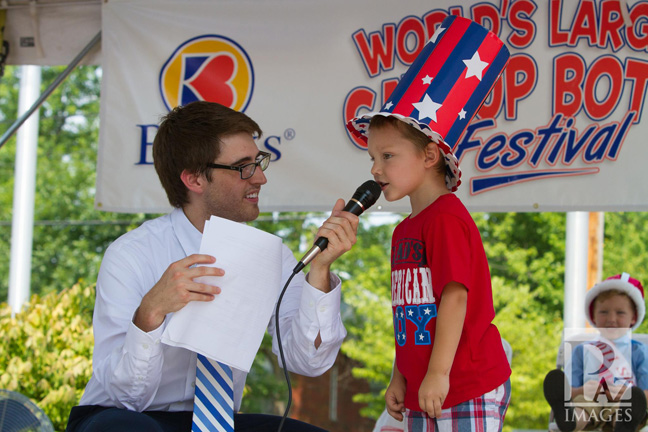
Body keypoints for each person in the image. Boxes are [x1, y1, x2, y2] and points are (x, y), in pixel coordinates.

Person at [65, 101, 359, 432]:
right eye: (243, 167)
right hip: (129, 415)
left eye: (259, 162)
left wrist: (319, 271)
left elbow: (308, 361)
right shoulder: (131, 255)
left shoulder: (274, 257)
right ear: (194, 179)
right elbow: (127, 397)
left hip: (218, 421)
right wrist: (149, 314)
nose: (260, 177)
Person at [346, 15, 512, 432]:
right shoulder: (405, 230)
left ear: (429, 156)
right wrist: (399, 375)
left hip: (463, 383)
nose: (376, 169)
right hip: (428, 386)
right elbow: (411, 315)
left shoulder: (446, 218)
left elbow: (454, 298)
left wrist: (439, 372)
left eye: (387, 156)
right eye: (372, 158)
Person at [544, 273, 648, 432]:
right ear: (593, 315)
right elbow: (569, 390)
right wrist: (582, 390)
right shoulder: (582, 350)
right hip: (590, 398)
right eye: (603, 312)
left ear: (633, 317)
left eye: (620, 313)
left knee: (625, 409)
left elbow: (645, 393)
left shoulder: (638, 351)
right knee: (582, 406)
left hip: (623, 402)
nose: (611, 319)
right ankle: (568, 420)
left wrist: (629, 393)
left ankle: (624, 425)